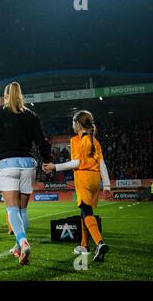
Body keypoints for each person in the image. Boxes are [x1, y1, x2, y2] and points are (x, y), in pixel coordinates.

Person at [0, 82, 53, 265]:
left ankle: (23, 242)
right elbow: (42, 141)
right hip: (28, 164)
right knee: (23, 209)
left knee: (12, 209)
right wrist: (47, 159)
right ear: (21, 95)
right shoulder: (31, 115)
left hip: (7, 164)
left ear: (5, 96)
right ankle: (17, 246)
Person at [43, 110, 111, 262]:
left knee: (86, 211)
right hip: (95, 179)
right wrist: (106, 185)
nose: (72, 125)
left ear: (78, 125)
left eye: (73, 123)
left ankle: (99, 243)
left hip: (83, 178)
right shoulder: (95, 141)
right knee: (84, 212)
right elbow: (102, 164)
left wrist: (55, 167)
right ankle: (84, 245)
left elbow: (77, 163)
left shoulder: (77, 140)